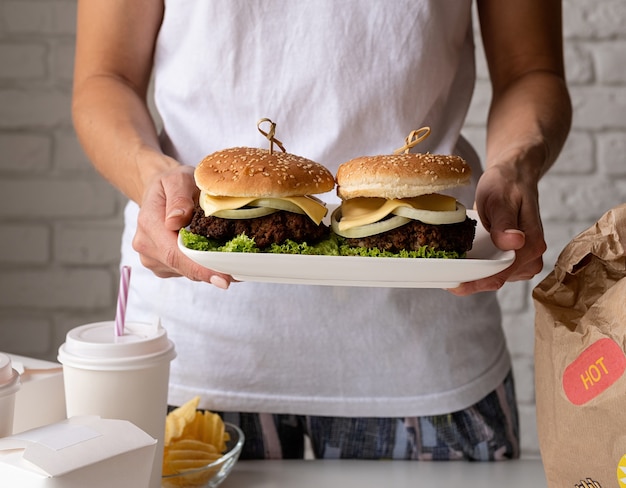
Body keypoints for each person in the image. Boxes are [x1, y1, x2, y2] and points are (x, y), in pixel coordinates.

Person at [72, 0, 571, 461]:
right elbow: (104, 76)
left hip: (430, 358)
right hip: (191, 355)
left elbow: (530, 69)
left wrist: (516, 165)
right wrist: (150, 175)